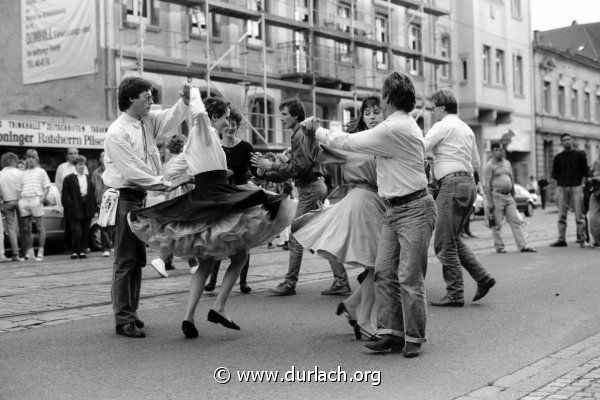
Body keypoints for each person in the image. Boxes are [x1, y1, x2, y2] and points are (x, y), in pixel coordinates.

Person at [128, 88, 295, 339]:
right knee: (239, 257)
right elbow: (199, 115)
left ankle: (189, 316)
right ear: (215, 116)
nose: (229, 121)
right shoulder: (204, 129)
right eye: (226, 116)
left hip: (206, 195)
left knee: (205, 265)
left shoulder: (198, 140)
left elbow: (176, 168)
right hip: (218, 197)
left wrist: (180, 179)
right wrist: (193, 92)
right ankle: (218, 306)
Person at [302, 71, 437, 358]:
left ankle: (413, 337)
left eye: (381, 98)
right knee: (384, 271)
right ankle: (390, 333)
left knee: (409, 277)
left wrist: (317, 130)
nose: (377, 107)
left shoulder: (393, 128)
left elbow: (349, 143)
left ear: (388, 98)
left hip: (414, 208)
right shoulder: (398, 125)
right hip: (396, 208)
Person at [103, 76, 190, 339]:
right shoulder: (117, 132)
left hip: (139, 198)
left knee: (136, 260)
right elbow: (132, 170)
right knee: (125, 260)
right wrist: (164, 183)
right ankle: (124, 318)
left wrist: (185, 99)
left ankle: (132, 312)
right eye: (147, 97)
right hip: (126, 197)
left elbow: (170, 117)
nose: (151, 100)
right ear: (131, 99)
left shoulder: (145, 122)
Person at [293, 94, 386, 340]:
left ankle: (352, 306)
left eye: (377, 111)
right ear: (362, 117)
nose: (373, 116)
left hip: (378, 204)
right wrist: (310, 132)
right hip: (363, 204)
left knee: (377, 266)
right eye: (368, 112)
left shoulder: (386, 138)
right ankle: (365, 320)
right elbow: (321, 150)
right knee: (377, 265)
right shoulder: (354, 142)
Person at [251, 99, 350, 296]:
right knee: (321, 237)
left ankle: (289, 283)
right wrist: (264, 174)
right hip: (313, 187)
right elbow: (290, 169)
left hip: (311, 188)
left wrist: (269, 166)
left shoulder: (300, 136)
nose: (281, 118)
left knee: (296, 236)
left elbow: (298, 167)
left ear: (296, 115)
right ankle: (341, 281)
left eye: (285, 114)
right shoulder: (298, 136)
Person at [423, 89, 496, 308]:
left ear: (442, 107)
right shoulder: (466, 128)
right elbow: (476, 163)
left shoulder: (442, 126)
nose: (432, 111)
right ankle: (482, 277)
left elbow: (420, 147)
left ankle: (455, 294)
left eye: (433, 107)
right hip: (468, 185)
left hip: (451, 185)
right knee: (453, 239)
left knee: (443, 244)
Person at [205, 109, 258, 294]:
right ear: (220, 126)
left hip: (241, 195)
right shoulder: (213, 146)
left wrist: (263, 168)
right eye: (226, 123)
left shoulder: (245, 147)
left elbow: (256, 170)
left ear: (237, 126)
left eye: (233, 123)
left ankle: (242, 282)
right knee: (219, 237)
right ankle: (212, 281)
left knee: (243, 239)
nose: (229, 127)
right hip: (220, 197)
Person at [149, 133, 198, 275]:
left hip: (171, 200)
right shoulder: (184, 161)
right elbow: (190, 178)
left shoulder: (168, 162)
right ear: (183, 145)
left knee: (181, 232)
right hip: (182, 201)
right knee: (181, 232)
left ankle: (193, 264)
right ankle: (162, 260)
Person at [484, 142, 537, 253]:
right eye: (497, 150)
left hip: (509, 197)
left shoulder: (507, 163)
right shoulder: (489, 165)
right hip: (496, 196)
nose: (499, 152)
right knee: (497, 224)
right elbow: (487, 185)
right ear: (493, 151)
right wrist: (489, 202)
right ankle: (499, 247)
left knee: (515, 221)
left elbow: (511, 178)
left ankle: (522, 246)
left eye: (501, 150)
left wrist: (513, 194)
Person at [550, 133, 589, 247]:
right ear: (562, 142)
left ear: (571, 141)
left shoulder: (580, 155)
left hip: (577, 186)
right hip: (562, 187)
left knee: (579, 214)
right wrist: (556, 191)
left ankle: (581, 239)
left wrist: (583, 185)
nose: (567, 141)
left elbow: (585, 172)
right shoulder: (558, 157)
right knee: (561, 215)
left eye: (568, 139)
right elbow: (554, 176)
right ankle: (561, 239)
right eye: (564, 140)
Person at [18, 149, 51, 261]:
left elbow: (47, 186)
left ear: (36, 159)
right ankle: (30, 251)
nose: (30, 159)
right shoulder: (22, 173)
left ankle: (40, 251)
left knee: (39, 227)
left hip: (36, 199)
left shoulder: (41, 171)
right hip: (24, 200)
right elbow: (19, 188)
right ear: (26, 159)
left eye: (33, 157)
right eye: (28, 157)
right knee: (27, 228)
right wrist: (20, 200)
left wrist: (42, 198)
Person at [62, 155, 97, 259]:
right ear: (75, 166)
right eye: (79, 164)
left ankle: (82, 250)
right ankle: (74, 250)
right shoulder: (69, 179)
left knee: (86, 230)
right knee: (76, 230)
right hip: (75, 208)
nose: (82, 167)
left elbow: (92, 193)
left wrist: (93, 208)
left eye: (83, 164)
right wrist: (71, 204)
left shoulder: (88, 178)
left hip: (87, 207)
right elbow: (65, 195)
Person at [0, 152, 24, 261]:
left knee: (11, 228)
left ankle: (15, 254)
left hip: (7, 202)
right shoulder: (20, 173)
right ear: (15, 160)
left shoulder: (1, 174)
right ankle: (26, 252)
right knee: (23, 227)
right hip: (20, 201)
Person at [92, 152, 114, 257]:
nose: (104, 158)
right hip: (99, 203)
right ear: (100, 159)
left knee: (113, 225)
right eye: (102, 157)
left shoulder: (113, 171)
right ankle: (106, 248)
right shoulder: (95, 173)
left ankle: (113, 245)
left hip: (112, 202)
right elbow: (92, 188)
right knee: (103, 225)